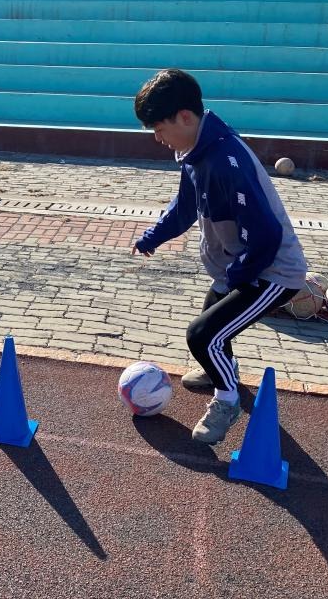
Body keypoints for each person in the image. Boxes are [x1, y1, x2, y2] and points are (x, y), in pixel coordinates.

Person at [130, 69, 307, 445]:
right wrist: (152, 238)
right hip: (243, 265)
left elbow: (267, 234)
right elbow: (184, 208)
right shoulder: (194, 152)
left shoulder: (226, 160)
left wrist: (239, 276)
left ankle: (226, 401)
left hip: (273, 271)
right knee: (211, 325)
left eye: (159, 129)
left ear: (184, 117)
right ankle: (219, 370)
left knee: (202, 335)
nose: (158, 139)